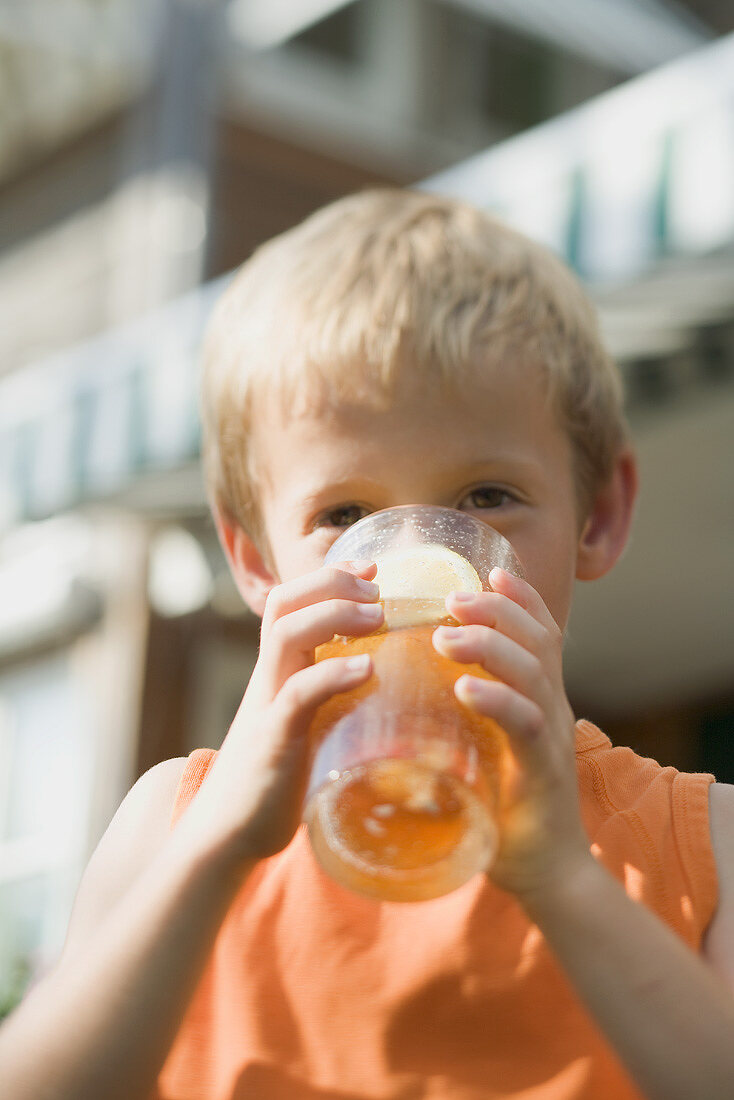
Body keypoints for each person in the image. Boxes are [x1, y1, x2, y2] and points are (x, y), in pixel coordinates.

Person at [2, 188, 734, 1100]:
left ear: (601, 514)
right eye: (346, 516)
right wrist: (215, 848)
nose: (418, 564)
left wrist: (562, 879)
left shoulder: (696, 838)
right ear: (255, 559)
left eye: (485, 499)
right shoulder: (177, 823)